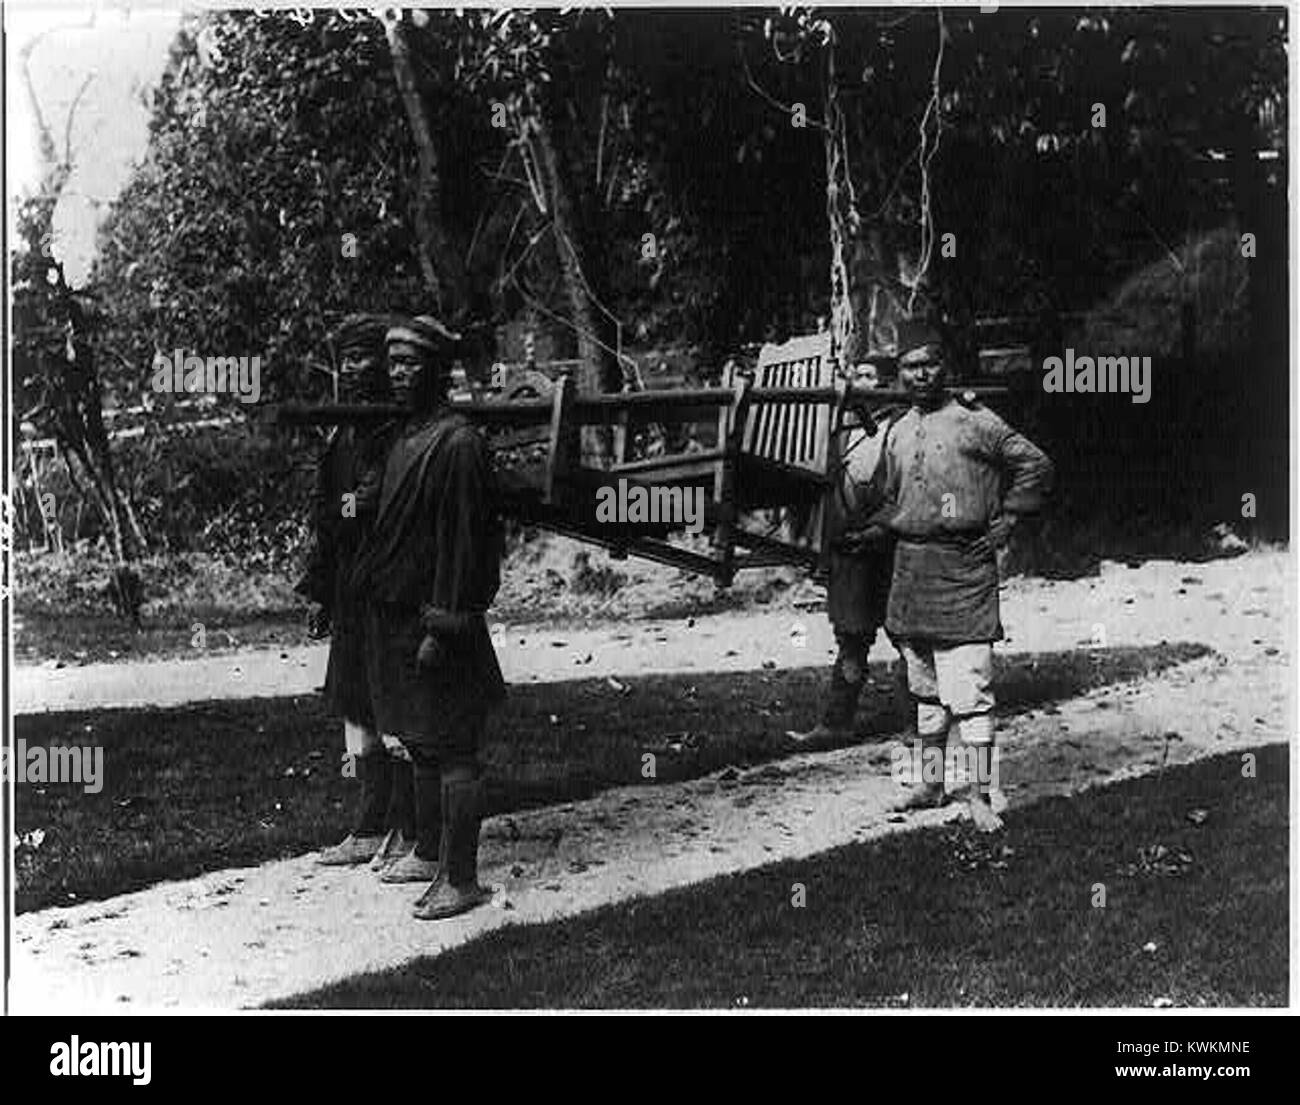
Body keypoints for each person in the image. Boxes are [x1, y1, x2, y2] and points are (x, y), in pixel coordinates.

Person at [348, 315, 506, 920]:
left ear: (439, 371)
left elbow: (465, 549)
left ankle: (460, 877)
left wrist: (444, 628)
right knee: (418, 740)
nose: (398, 374)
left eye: (412, 363)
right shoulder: (403, 439)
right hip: (398, 619)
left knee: (455, 748)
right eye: (393, 363)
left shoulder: (458, 445)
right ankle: (427, 849)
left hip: (439, 624)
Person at [872, 319, 1053, 831]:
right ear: (899, 373)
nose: (920, 375)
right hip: (911, 574)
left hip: (965, 572)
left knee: (970, 696)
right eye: (909, 366)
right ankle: (930, 783)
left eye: (929, 363)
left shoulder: (978, 422)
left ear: (945, 367)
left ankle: (977, 795)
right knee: (925, 692)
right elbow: (888, 494)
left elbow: (1035, 464)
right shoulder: (898, 429)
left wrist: (1009, 520)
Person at [297, 314, 415, 868]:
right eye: (346, 359)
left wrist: (354, 507)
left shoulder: (401, 432)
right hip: (350, 586)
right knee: (354, 703)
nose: (353, 369)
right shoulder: (342, 435)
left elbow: (386, 507)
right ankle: (369, 825)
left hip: (391, 585)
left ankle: (410, 826)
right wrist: (321, 590)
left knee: (395, 701)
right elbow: (329, 512)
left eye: (364, 357)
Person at [789, 359, 907, 743]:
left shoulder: (901, 430)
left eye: (873, 376)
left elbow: (911, 494)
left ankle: (923, 720)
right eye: (858, 375)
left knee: (908, 637)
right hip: (848, 549)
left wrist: (879, 530)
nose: (864, 383)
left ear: (887, 383)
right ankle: (837, 723)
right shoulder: (837, 430)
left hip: (891, 548)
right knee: (852, 638)